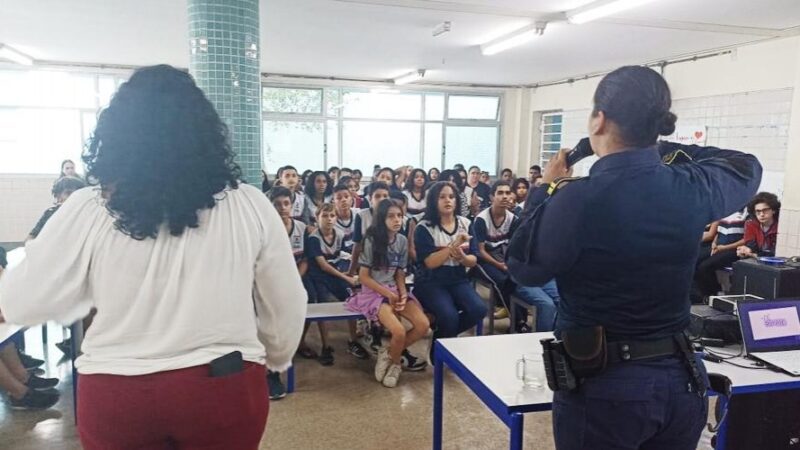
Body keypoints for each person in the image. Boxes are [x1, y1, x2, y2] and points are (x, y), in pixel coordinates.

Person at [0, 65, 307, 449]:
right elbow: (287, 301)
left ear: (116, 136)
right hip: (223, 383)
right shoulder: (249, 204)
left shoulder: (89, 207)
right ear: (206, 133)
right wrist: (275, 354)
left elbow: (21, 301)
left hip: (117, 392)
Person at [507, 65, 761, 449]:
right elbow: (746, 166)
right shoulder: (689, 186)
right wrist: (655, 147)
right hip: (681, 379)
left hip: (604, 387)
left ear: (599, 120)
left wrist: (544, 188)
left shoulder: (576, 198)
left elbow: (524, 268)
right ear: (655, 126)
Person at [345, 200, 430, 387]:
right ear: (381, 219)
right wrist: (388, 294)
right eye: (391, 216)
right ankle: (396, 365)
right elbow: (364, 277)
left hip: (394, 289)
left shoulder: (401, 241)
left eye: (399, 216)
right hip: (373, 292)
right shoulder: (371, 240)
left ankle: (389, 353)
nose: (397, 220)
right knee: (398, 331)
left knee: (423, 325)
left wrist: (403, 293)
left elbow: (399, 273)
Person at [471, 181, 559, 332]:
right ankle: (519, 321)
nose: (505, 197)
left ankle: (556, 334)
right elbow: (481, 251)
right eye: (500, 193)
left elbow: (516, 247)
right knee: (504, 281)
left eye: (507, 193)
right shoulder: (482, 219)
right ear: (491, 197)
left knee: (559, 298)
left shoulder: (513, 218)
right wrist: (503, 266)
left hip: (514, 261)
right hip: (487, 260)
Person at [414, 181, 487, 360]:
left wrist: (463, 258)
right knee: (449, 316)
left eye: (451, 197)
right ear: (434, 201)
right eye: (442, 197)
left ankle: (442, 337)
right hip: (431, 282)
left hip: (458, 279)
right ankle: (441, 352)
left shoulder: (466, 223)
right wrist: (453, 245)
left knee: (478, 310)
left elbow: (474, 259)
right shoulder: (424, 227)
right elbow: (430, 263)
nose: (448, 200)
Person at [266, 186, 310, 399]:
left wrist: (294, 281)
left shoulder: (302, 228)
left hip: (294, 282)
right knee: (269, 326)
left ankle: (288, 354)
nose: (282, 208)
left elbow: (305, 260)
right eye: (277, 204)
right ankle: (270, 374)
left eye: (286, 203)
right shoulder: (265, 228)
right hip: (268, 283)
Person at [305, 204, 363, 365]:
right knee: (322, 307)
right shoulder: (313, 239)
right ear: (317, 218)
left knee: (351, 300)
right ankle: (326, 346)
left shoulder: (339, 234)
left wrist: (351, 271)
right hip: (318, 277)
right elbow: (323, 266)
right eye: (324, 216)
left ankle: (353, 340)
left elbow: (342, 255)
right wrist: (346, 278)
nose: (329, 219)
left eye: (332, 216)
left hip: (334, 273)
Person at [694, 208, 747, 298]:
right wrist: (714, 243)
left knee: (705, 267)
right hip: (719, 247)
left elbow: (746, 239)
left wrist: (724, 247)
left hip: (734, 249)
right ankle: (700, 294)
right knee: (693, 259)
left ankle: (713, 294)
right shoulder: (724, 209)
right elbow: (719, 232)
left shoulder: (746, 212)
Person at [27, 176, 87, 242]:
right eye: (68, 193)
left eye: (77, 193)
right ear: (58, 196)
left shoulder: (86, 214)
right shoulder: (50, 213)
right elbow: (31, 237)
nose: (73, 197)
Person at [737, 192, 780, 259]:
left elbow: (775, 252)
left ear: (773, 210)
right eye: (758, 211)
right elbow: (750, 245)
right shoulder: (750, 224)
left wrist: (753, 255)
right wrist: (746, 250)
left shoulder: (779, 226)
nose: (761, 214)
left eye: (765, 210)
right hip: (756, 257)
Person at [332, 184, 359, 272]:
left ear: (351, 199)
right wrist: (351, 258)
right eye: (339, 198)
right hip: (342, 257)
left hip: (360, 254)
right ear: (333, 201)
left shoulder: (359, 214)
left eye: (346, 197)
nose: (343, 200)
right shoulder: (330, 219)